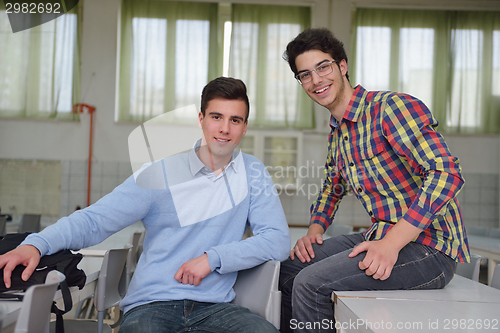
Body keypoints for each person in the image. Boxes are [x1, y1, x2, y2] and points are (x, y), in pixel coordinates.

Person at [0, 77, 290, 333]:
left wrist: (212, 258)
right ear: (201, 118)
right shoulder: (160, 174)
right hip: (152, 305)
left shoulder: (252, 172)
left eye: (235, 120)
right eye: (217, 117)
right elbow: (94, 220)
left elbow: (276, 240)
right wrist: (35, 244)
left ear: (244, 127)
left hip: (217, 308)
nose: (225, 128)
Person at [278, 28, 469, 333]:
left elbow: (446, 174)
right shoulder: (338, 131)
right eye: (305, 74)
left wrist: (391, 244)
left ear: (342, 66)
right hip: (380, 234)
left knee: (310, 284)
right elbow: (333, 185)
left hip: (431, 248)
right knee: (287, 270)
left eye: (323, 67)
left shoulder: (390, 109)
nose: (316, 80)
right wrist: (314, 232)